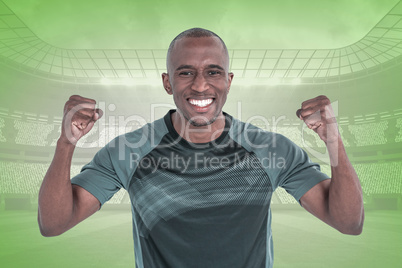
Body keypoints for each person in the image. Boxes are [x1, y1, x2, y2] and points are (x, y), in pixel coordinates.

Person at [38, 28, 364, 268]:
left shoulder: (270, 149)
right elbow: (54, 224)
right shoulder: (129, 151)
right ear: (167, 82)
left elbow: (348, 223)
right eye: (186, 73)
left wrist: (333, 140)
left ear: (229, 80)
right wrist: (67, 141)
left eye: (213, 72)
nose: (200, 85)